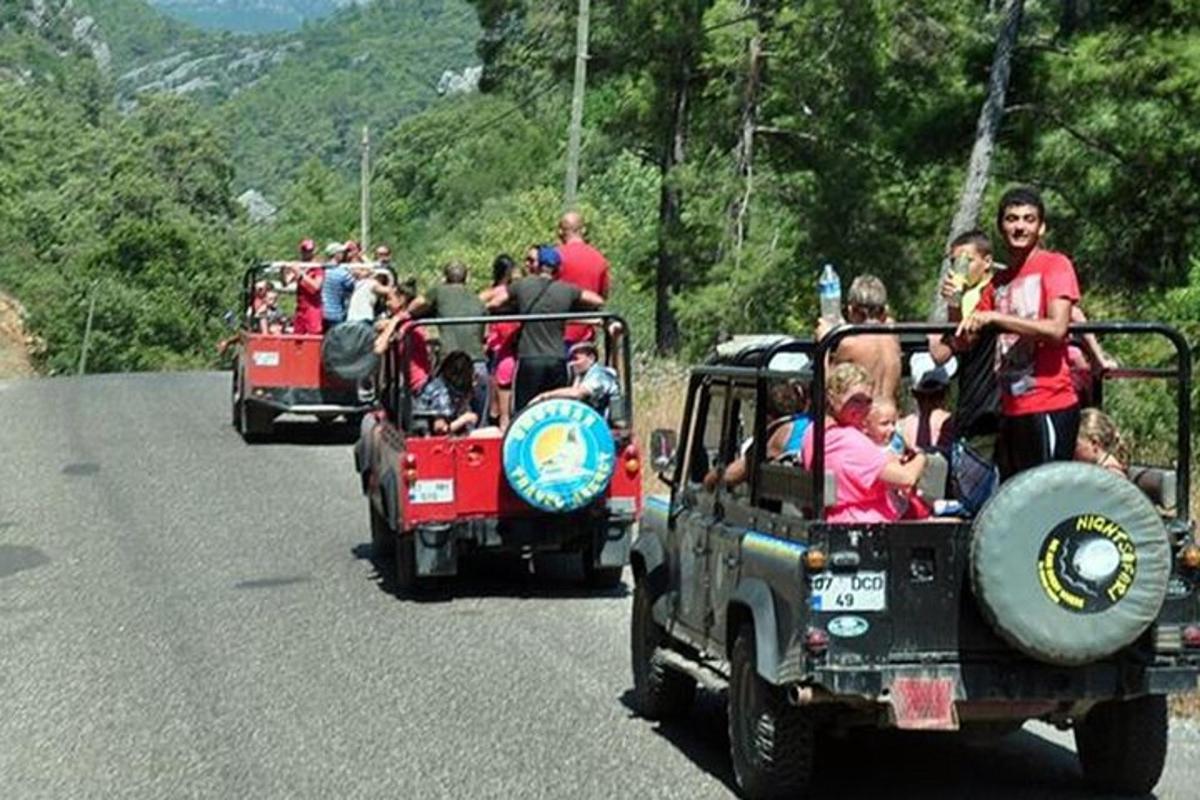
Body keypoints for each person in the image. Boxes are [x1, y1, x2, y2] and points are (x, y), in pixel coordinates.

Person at [957, 186, 1081, 481]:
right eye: (1012, 219)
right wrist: (955, 303)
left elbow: (1057, 329)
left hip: (1049, 403)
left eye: (1028, 219)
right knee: (1018, 502)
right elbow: (964, 342)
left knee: (1047, 494)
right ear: (1002, 226)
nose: (1020, 226)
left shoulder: (1055, 265)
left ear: (1041, 227)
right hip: (1009, 409)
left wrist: (997, 317)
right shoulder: (997, 282)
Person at [482, 245, 604, 412]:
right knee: (555, 409)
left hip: (529, 358)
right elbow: (597, 300)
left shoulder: (523, 285)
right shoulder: (566, 289)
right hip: (557, 358)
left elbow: (496, 302)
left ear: (539, 265)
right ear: (557, 268)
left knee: (523, 411)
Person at [801, 362, 927, 523]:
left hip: (835, 519)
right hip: (864, 525)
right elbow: (907, 478)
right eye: (855, 400)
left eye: (868, 401)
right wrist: (921, 456)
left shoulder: (814, 430)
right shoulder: (849, 440)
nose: (863, 408)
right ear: (832, 398)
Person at [930, 229, 1001, 460]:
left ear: (987, 261)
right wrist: (952, 305)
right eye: (955, 262)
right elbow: (941, 353)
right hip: (970, 399)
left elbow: (963, 341)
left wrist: (954, 307)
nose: (959, 268)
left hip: (989, 404)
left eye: (967, 261)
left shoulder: (994, 291)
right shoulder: (967, 295)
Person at [408, 261, 488, 414]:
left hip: (452, 364)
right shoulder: (478, 298)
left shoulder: (439, 291)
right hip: (478, 361)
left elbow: (416, 306)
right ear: (466, 278)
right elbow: (484, 336)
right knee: (479, 411)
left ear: (445, 277)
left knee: (447, 410)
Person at [704, 381, 810, 492]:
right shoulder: (810, 423)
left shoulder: (777, 434)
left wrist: (711, 478)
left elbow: (738, 472)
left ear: (765, 413)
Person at [816, 274, 901, 403]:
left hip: (865, 418)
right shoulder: (893, 338)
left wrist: (824, 343)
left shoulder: (850, 345)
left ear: (850, 310)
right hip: (890, 416)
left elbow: (829, 389)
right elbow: (886, 320)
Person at [556, 211, 611, 346]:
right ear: (583, 230)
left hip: (555, 332)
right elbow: (603, 296)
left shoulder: (554, 257)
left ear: (560, 231)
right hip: (586, 334)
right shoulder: (599, 259)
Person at [531, 340, 620, 416]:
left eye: (576, 359)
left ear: (591, 358)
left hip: (603, 427)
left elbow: (579, 393)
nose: (572, 364)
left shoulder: (600, 374)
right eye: (571, 360)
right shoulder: (581, 376)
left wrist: (545, 396)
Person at [486, 254, 521, 429]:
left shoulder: (498, 291)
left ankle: (500, 417)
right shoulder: (505, 292)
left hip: (505, 342)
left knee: (501, 377)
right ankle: (501, 418)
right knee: (501, 378)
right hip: (502, 342)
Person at [412, 350, 479, 435]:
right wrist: (464, 419)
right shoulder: (440, 392)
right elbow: (440, 429)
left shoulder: (449, 388)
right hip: (428, 440)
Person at [899, 352, 955, 453]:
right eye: (922, 397)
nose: (926, 402)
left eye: (932, 397)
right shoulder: (904, 425)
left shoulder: (947, 422)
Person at [1075, 408, 1128, 478]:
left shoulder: (1111, 476)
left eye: (1076, 445)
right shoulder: (1102, 473)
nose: (1072, 451)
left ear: (1094, 443)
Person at [289, 241, 326, 335]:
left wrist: (301, 274)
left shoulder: (317, 267)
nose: (308, 253)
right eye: (305, 251)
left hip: (313, 308)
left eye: (310, 251)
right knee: (297, 338)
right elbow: (286, 282)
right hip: (300, 309)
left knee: (313, 338)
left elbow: (316, 287)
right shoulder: (300, 265)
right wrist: (284, 269)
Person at [321, 246, 358, 332]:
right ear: (336, 255)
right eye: (341, 253)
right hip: (336, 313)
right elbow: (354, 285)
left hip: (322, 313)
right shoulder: (342, 272)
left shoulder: (322, 270)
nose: (343, 255)